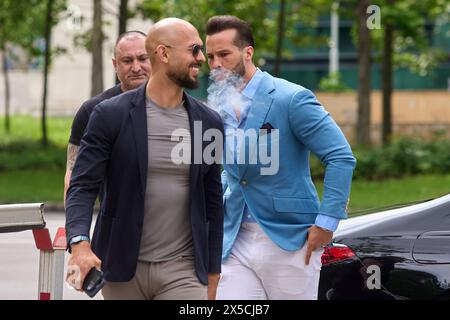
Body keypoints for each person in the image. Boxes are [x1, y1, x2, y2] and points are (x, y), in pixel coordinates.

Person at [65, 18, 224, 300]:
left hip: (184, 270)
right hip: (121, 267)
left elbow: (212, 200)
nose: (201, 58)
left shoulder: (208, 121)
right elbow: (82, 185)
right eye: (194, 50)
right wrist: (79, 243)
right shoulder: (108, 115)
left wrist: (213, 269)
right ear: (163, 54)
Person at [205, 15, 356, 300]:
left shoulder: (291, 98)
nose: (215, 64)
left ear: (247, 52)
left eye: (224, 54)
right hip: (234, 239)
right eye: (210, 56)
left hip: (290, 239)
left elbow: (340, 156)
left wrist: (326, 222)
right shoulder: (221, 106)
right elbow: (233, 171)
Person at [64, 30, 151, 205]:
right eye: (127, 61)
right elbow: (74, 178)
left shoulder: (175, 106)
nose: (136, 67)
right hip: (115, 221)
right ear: (115, 64)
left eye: (143, 58)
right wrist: (74, 230)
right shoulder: (92, 111)